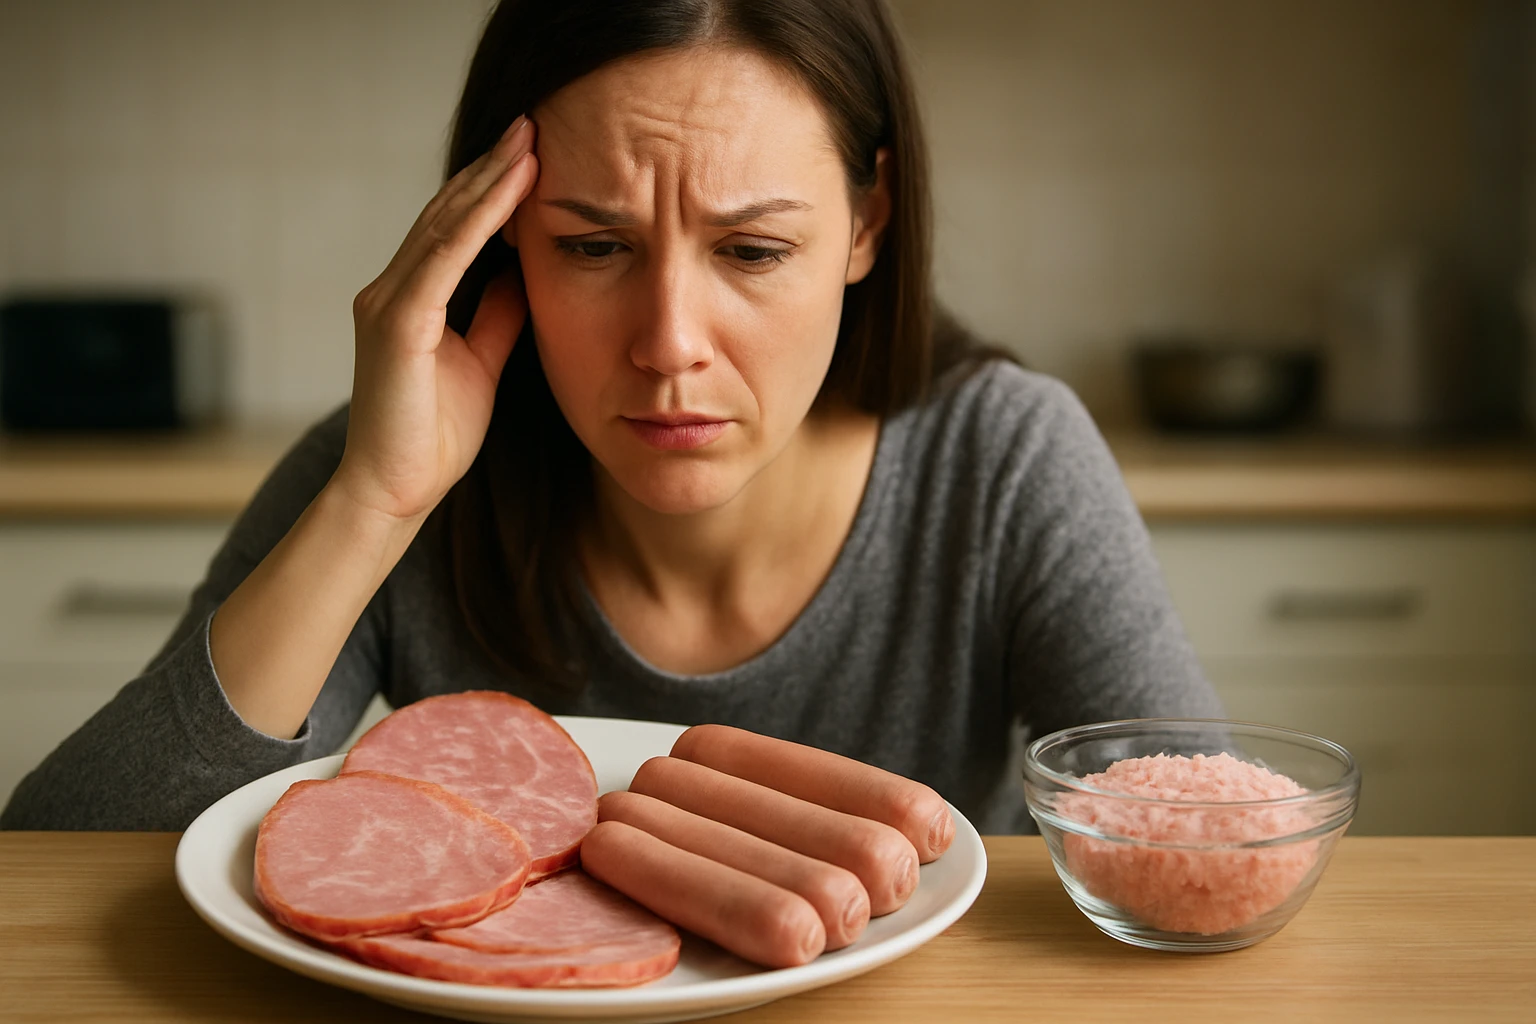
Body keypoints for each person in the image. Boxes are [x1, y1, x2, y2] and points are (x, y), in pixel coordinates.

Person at [0, 0, 1221, 835]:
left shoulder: (1003, 462)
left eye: (751, 249)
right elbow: (50, 864)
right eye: (593, 244)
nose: (669, 342)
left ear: (866, 222)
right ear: (493, 237)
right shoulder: (397, 470)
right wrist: (373, 507)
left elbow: (1206, 861)